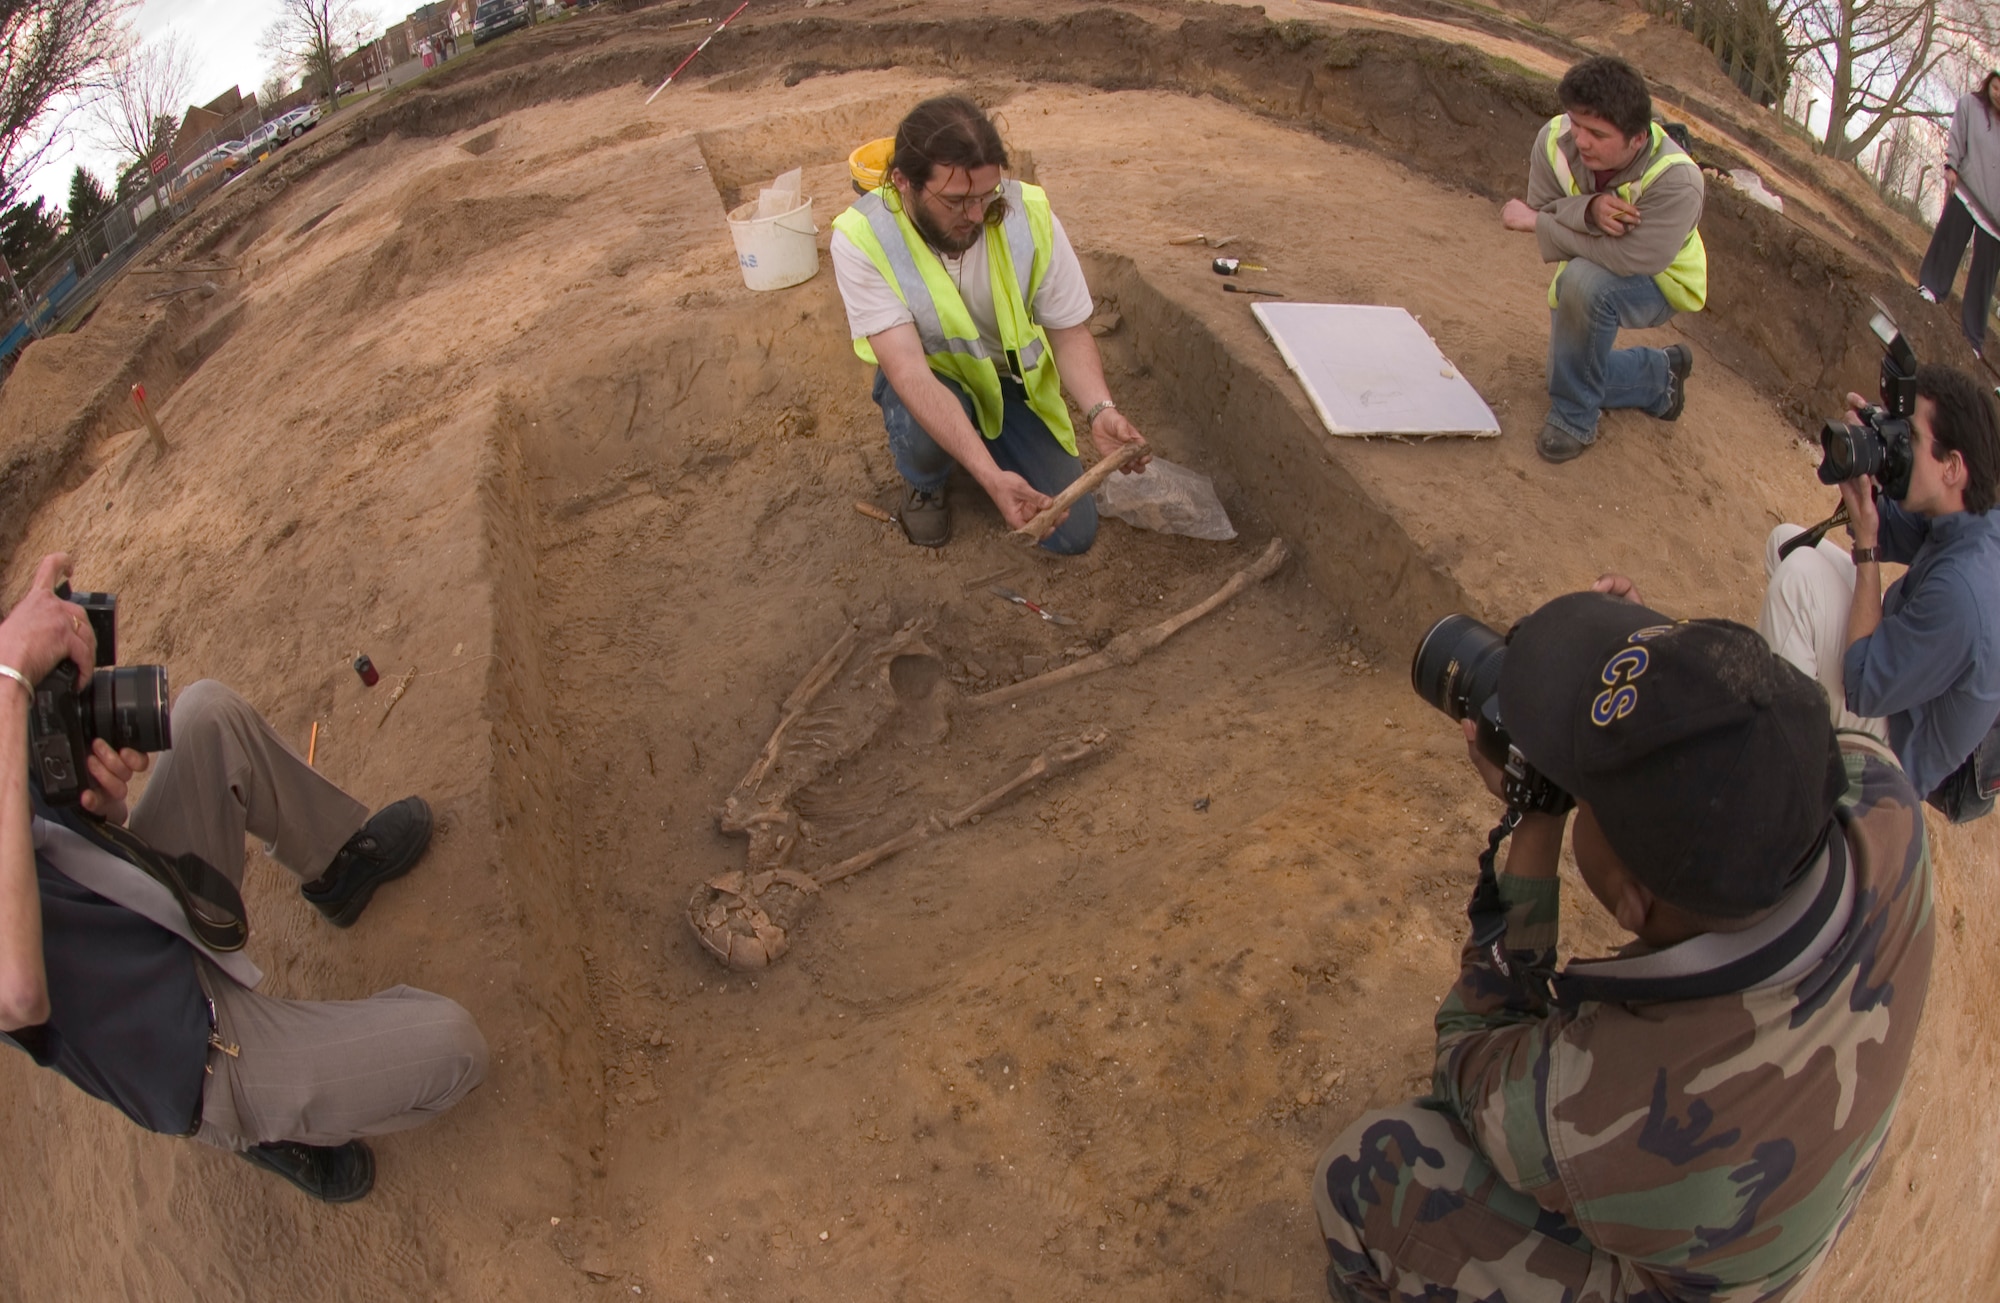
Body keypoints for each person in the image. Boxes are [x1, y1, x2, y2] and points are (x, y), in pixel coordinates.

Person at [1314, 589, 1933, 1302]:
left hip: (1681, 1271)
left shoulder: (1599, 1104)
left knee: (1366, 1170)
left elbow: (1473, 1046)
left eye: (1587, 792)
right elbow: (1745, 740)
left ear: (1633, 900)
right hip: (1792, 1201)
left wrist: (1537, 817)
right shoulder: (1889, 809)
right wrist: (1662, 672)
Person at [0, 553, 487, 1203]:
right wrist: (9, 678)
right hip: (181, 1041)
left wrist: (101, 798)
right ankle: (269, 1130)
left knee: (206, 716)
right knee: (455, 1047)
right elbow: (19, 991)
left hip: (149, 899)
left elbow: (65, 825)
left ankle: (337, 867)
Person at [830, 95, 1149, 552]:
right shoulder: (863, 238)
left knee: (1071, 534)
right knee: (921, 431)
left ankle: (983, 440)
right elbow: (910, 373)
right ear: (904, 183)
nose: (977, 216)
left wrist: (1101, 410)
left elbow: (1068, 331)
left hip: (1006, 386)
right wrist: (990, 476)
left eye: (987, 195)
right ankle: (927, 478)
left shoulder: (1029, 215)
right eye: (957, 200)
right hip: (929, 380)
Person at [1759, 365, 2000, 814]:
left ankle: (1789, 787)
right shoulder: (1972, 514)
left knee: (1797, 584)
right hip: (1897, 692)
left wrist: (1867, 545)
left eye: (1910, 437)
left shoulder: (1966, 592)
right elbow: (1888, 524)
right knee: (1788, 547)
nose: (1901, 444)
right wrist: (1874, 455)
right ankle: (1798, 724)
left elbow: (1863, 686)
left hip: (1895, 757)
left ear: (1952, 467)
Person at [1500, 56, 1707, 463]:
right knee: (1565, 372)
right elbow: (1547, 206)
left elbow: (1628, 255)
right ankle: (1658, 376)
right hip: (1593, 261)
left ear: (1636, 139)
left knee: (1583, 283)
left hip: (1661, 278)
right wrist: (1590, 210)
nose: (1581, 140)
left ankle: (1574, 417)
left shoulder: (1679, 181)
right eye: (1576, 123)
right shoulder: (1553, 139)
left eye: (1597, 133)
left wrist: (1542, 224)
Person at [1916, 70, 2000, 360]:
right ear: (1990, 82)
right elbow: (1958, 135)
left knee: (1983, 279)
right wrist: (1951, 166)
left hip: (1996, 218)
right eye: (1997, 86)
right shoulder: (1970, 106)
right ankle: (1932, 288)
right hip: (1967, 189)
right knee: (1948, 242)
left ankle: (1973, 338)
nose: (1998, 93)